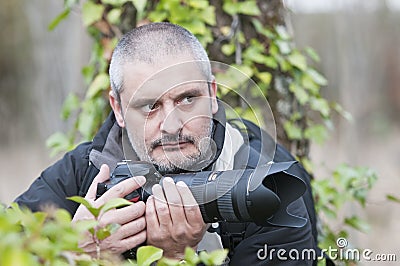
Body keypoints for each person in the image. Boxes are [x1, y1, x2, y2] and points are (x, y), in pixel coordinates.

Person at [14, 22, 318, 265]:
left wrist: (176, 257)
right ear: (118, 109)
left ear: (212, 95)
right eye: (149, 106)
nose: (171, 125)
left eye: (187, 99)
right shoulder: (84, 171)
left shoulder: (270, 188)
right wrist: (73, 251)